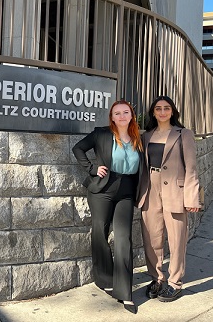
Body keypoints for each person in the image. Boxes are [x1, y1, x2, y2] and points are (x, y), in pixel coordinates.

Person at [72, 100, 143, 314]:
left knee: (123, 237)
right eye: (117, 113)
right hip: (102, 189)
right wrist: (92, 168)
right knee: (100, 232)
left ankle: (125, 292)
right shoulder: (102, 134)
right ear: (112, 117)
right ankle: (104, 278)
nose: (121, 116)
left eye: (126, 112)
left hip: (127, 190)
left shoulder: (139, 138)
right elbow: (78, 149)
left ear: (132, 115)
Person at [136, 95, 202, 302]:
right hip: (151, 190)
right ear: (153, 112)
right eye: (158, 108)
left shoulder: (184, 134)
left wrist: (191, 197)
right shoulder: (147, 136)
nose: (162, 112)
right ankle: (157, 278)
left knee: (176, 239)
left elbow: (191, 168)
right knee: (152, 238)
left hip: (175, 190)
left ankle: (175, 282)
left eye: (166, 108)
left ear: (172, 111)